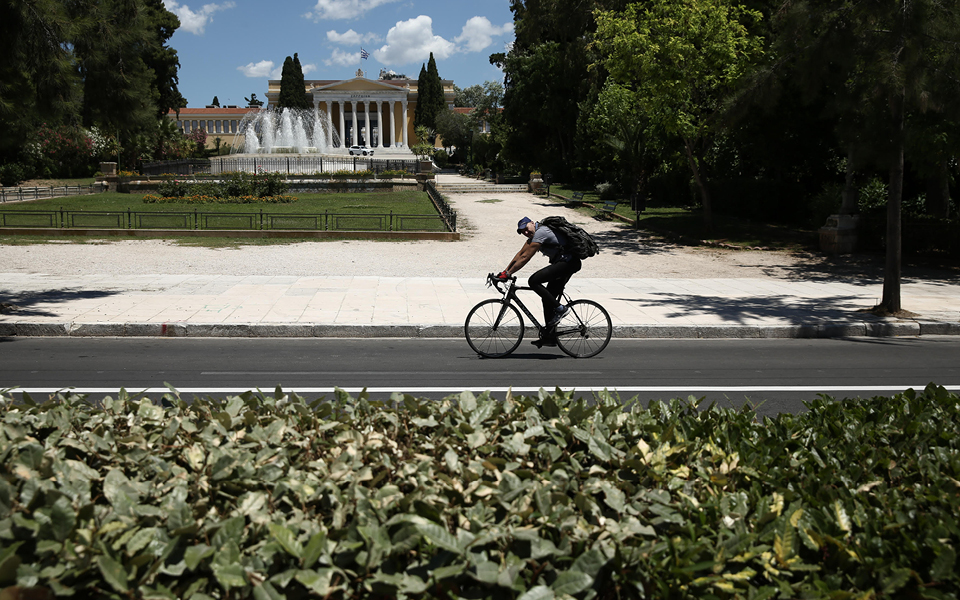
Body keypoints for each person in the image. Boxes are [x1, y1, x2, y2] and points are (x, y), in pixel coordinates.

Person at [496, 216, 582, 346]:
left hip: (568, 263)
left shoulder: (542, 232)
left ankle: (561, 309)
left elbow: (525, 257)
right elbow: (520, 253)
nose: (525, 232)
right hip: (563, 264)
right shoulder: (533, 237)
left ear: (532, 223)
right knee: (547, 298)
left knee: (534, 281)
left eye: (526, 228)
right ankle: (550, 337)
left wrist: (508, 273)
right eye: (522, 232)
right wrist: (505, 272)